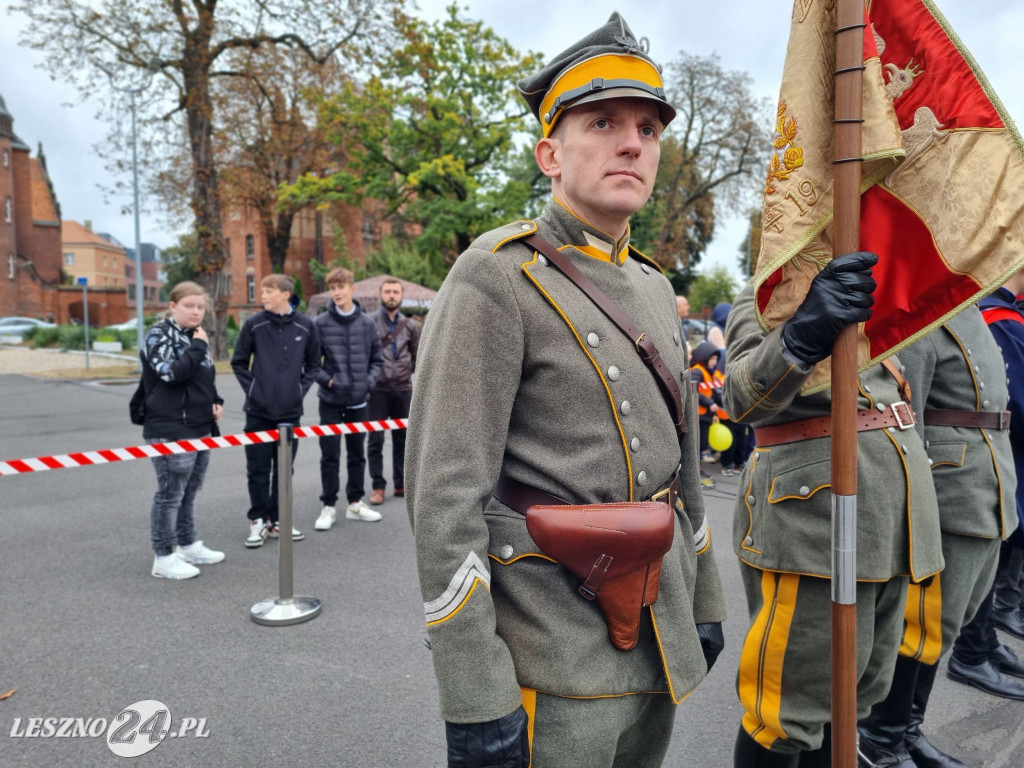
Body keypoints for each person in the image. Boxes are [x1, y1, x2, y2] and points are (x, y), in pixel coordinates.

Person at [405, 14, 726, 767]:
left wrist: (703, 604)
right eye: (605, 122)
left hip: (657, 626)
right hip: (547, 644)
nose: (632, 143)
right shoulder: (495, 275)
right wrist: (474, 695)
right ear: (550, 153)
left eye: (648, 129)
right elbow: (444, 502)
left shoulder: (653, 284)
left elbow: (685, 479)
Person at [721, 252, 943, 765]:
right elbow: (741, 399)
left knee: (853, 700)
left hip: (886, 525)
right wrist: (801, 332)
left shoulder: (868, 305)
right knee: (784, 713)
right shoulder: (764, 297)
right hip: (814, 528)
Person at [855, 304, 1019, 768]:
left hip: (985, 486)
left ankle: (905, 732)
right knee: (922, 628)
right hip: (948, 492)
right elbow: (911, 420)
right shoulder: (924, 316)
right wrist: (917, 501)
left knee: (948, 624)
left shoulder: (970, 311)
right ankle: (880, 740)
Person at [940, 272, 1024, 704]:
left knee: (991, 559)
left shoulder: (982, 313)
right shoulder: (993, 316)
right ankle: (972, 652)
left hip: (994, 457)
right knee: (937, 615)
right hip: (967, 465)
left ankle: (982, 643)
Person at [142, 281, 225, 579]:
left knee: (190, 490)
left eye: (200, 306)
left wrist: (215, 401)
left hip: (200, 426)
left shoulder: (196, 335)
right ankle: (164, 556)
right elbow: (171, 374)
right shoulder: (158, 336)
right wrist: (199, 346)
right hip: (169, 428)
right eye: (189, 306)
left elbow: (203, 379)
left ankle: (187, 544)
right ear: (173, 305)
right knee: (170, 493)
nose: (195, 311)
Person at [231, 274, 320, 547]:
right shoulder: (253, 325)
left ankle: (278, 520)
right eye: (262, 291)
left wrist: (297, 390)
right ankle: (257, 520)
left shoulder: (306, 326)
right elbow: (238, 362)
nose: (263, 296)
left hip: (289, 414)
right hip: (257, 412)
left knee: (284, 469)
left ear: (285, 294)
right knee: (257, 469)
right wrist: (255, 390)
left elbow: (314, 365)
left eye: (268, 291)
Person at [312, 267, 383, 530]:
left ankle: (354, 503)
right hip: (330, 400)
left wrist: (368, 382)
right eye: (332, 288)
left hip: (359, 401)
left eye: (341, 287)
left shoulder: (366, 324)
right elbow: (310, 364)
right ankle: (328, 506)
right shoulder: (319, 324)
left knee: (356, 454)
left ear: (353, 289)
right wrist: (328, 380)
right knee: (329, 455)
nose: (337, 292)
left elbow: (377, 359)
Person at [367, 278, 420, 505]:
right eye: (387, 291)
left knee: (403, 441)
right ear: (381, 294)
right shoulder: (369, 323)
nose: (391, 295)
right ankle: (378, 487)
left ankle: (401, 483)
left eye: (395, 292)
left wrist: (404, 373)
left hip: (402, 389)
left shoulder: (410, 326)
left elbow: (416, 357)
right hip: (377, 390)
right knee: (375, 441)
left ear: (401, 296)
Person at [690, 340, 726, 487]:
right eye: (712, 359)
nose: (714, 362)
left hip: (706, 415)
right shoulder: (698, 370)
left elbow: (713, 393)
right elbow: (695, 390)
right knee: (697, 444)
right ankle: (695, 470)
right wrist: (709, 403)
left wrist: (720, 405)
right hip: (698, 413)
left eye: (716, 359)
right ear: (704, 357)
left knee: (702, 443)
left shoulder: (709, 373)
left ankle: (698, 468)